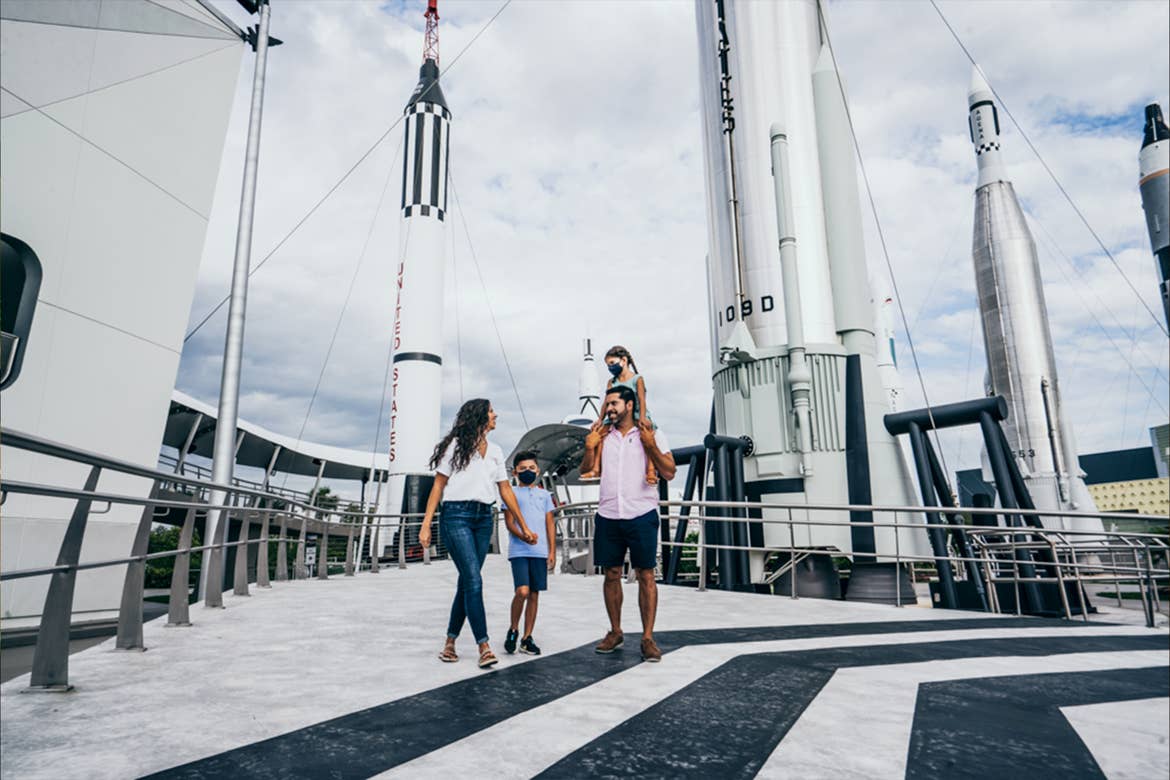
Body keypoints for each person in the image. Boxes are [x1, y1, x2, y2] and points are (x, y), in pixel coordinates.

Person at [419, 399, 537, 670]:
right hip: (456, 516)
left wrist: (524, 527)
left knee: (467, 581)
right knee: (474, 578)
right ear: (480, 416)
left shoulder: (495, 450)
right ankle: (483, 646)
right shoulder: (454, 447)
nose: (496, 415)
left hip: (485, 518)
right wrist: (426, 524)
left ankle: (450, 643)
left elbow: (505, 491)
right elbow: (438, 487)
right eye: (492, 411)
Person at [579, 384, 676, 662]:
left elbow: (669, 472)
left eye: (614, 404)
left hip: (642, 514)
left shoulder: (652, 433)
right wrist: (589, 447)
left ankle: (647, 638)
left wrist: (650, 446)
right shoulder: (601, 435)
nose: (609, 408)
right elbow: (586, 470)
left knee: (646, 575)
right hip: (609, 514)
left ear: (630, 405)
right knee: (611, 574)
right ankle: (615, 631)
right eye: (607, 404)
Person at [502, 450, 557, 656]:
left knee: (534, 594)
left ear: (538, 471)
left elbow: (549, 524)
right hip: (519, 550)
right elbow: (509, 522)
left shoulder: (545, 495)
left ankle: (527, 638)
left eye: (531, 468)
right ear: (515, 472)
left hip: (540, 551)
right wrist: (523, 535)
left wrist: (551, 551)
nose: (528, 472)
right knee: (522, 591)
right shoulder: (511, 493)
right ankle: (513, 629)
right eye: (523, 469)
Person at [580, 345, 658, 485]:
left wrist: (642, 417)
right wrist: (600, 419)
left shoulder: (637, 379)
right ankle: (596, 468)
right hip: (616, 415)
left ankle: (651, 470)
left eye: (612, 363)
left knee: (647, 435)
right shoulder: (612, 382)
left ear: (623, 360)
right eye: (608, 365)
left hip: (636, 412)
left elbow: (641, 399)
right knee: (600, 434)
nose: (610, 367)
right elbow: (606, 402)